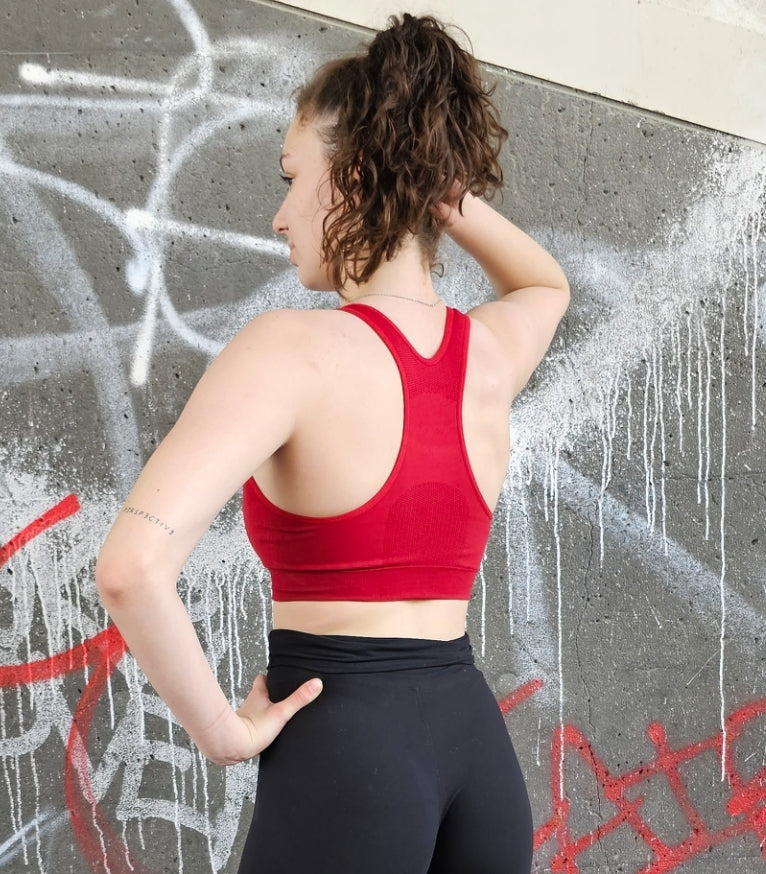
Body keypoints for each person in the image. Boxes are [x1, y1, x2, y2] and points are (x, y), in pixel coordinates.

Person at [95, 13, 569, 874]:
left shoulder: (290, 351)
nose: (279, 218)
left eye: (291, 177)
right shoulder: (490, 354)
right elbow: (545, 281)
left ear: (350, 178)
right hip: (478, 762)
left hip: (349, 761)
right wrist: (434, 192)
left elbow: (130, 568)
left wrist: (225, 732)